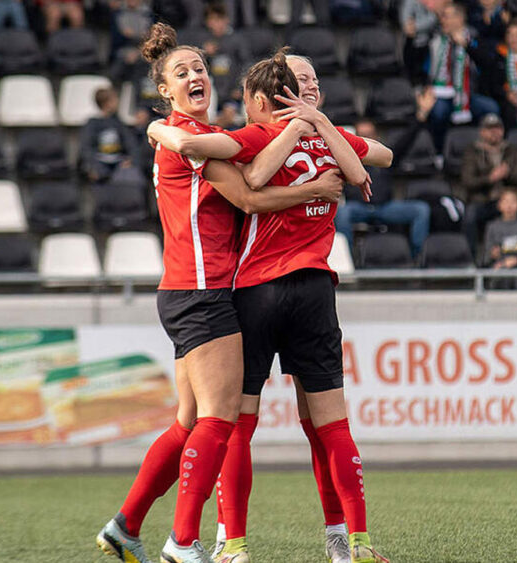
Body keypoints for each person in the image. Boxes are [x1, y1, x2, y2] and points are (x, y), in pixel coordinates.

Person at [95, 25, 346, 563]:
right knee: (218, 418)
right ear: (164, 89)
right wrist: (317, 189)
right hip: (203, 291)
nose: (194, 76)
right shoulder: (185, 137)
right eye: (181, 72)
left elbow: (246, 171)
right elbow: (250, 197)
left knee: (189, 421)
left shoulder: (191, 134)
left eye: (200, 69)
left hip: (188, 289)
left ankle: (126, 524)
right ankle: (183, 541)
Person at [148, 50, 393, 563]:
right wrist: (321, 129)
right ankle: (354, 544)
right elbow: (381, 158)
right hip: (315, 289)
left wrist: (158, 128)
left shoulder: (260, 134)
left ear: (264, 100)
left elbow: (249, 177)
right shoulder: (332, 138)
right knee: (330, 425)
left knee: (236, 424)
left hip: (254, 289)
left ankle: (232, 544)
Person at [335, 118, 431, 257]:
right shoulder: (345, 158)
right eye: (361, 136)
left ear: (376, 137)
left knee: (421, 210)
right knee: (342, 212)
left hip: (385, 207)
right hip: (358, 208)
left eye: (369, 135)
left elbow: (405, 141)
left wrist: (420, 117)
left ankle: (418, 259)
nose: (365, 139)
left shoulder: (384, 157)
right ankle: (348, 259)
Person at [426, 2, 501, 151]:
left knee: (491, 108)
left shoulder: (473, 38)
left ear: (459, 19)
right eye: (442, 17)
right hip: (442, 93)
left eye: (446, 17)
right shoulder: (435, 39)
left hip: (469, 94)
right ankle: (439, 152)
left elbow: (487, 62)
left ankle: (486, 150)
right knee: (438, 112)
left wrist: (466, 45)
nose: (443, 21)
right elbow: (423, 68)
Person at [459, 113, 517, 250]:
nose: (494, 132)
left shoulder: (511, 150)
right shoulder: (472, 151)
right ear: (482, 131)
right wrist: (490, 178)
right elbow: (467, 181)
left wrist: (507, 174)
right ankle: (471, 259)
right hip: (483, 200)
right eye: (489, 128)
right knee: (469, 216)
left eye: (497, 128)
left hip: (509, 200)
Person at [80, 86, 142, 183]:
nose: (117, 102)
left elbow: (130, 142)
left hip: (118, 164)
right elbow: (87, 148)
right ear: (107, 103)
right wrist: (94, 165)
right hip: (99, 163)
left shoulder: (118, 123)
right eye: (115, 100)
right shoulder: (92, 124)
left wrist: (132, 159)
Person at [484, 188, 517, 267]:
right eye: (506, 202)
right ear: (499, 205)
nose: (509, 206)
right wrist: (493, 254)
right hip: (499, 268)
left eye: (513, 202)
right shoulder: (492, 227)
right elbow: (488, 253)